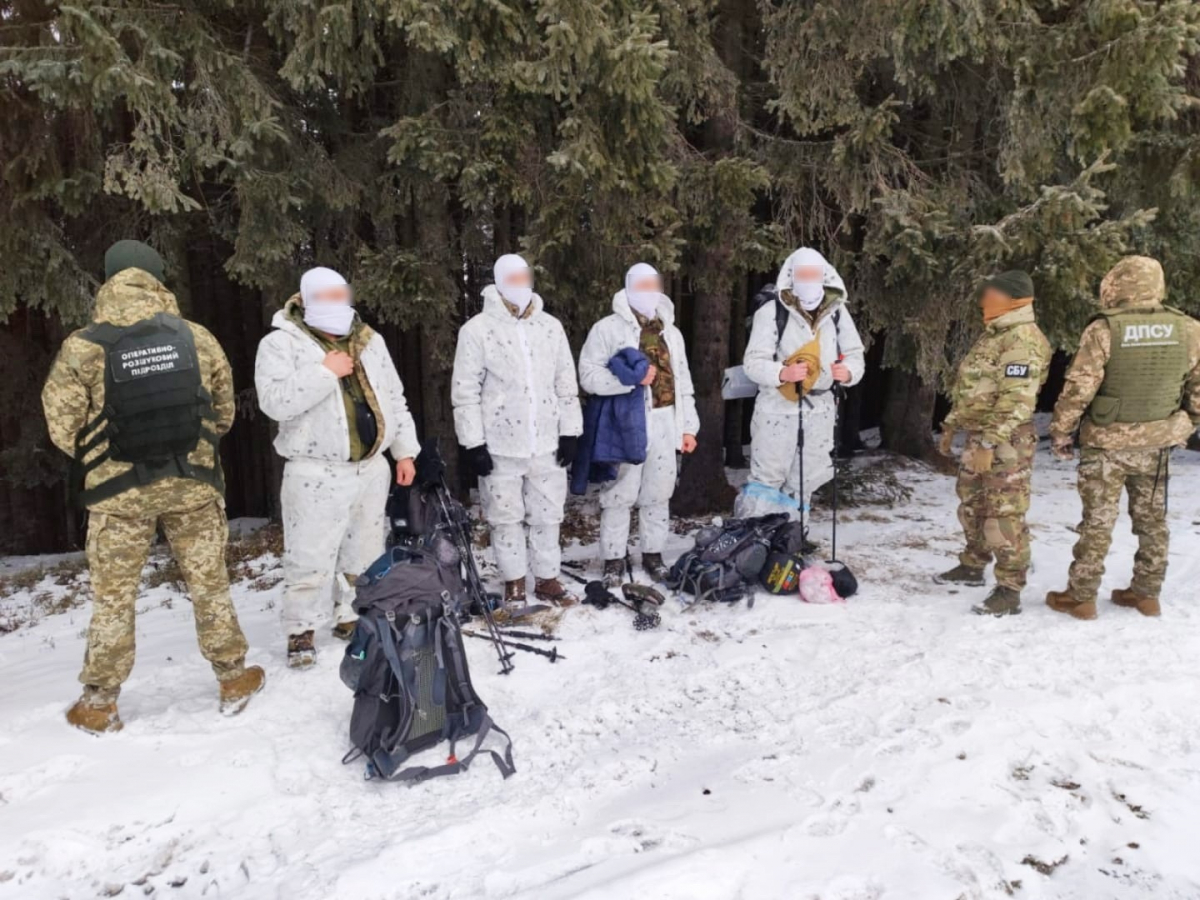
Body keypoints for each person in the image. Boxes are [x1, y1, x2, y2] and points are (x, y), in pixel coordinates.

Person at [41, 240, 263, 733]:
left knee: (114, 597)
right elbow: (223, 413)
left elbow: (63, 428)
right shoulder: (196, 337)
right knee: (209, 584)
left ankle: (99, 704)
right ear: (160, 278)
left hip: (119, 498)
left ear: (109, 279)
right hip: (193, 486)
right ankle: (232, 677)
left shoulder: (83, 346)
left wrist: (107, 459)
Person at [255, 267, 419, 667]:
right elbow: (274, 402)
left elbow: (394, 398)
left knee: (364, 551)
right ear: (307, 300)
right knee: (310, 555)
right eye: (327, 297)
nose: (337, 304)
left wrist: (404, 452)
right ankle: (301, 631)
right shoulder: (281, 344)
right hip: (315, 471)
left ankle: (351, 615)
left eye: (341, 295)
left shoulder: (369, 340)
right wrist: (324, 372)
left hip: (369, 468)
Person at [1045, 256, 1200, 620]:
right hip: (1157, 443)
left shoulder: (1105, 329)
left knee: (1098, 520)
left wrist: (1061, 430)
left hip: (1106, 442)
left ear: (1117, 284)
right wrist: (1186, 424)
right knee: (1152, 520)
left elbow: (1080, 387)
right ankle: (1147, 594)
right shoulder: (1189, 329)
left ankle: (1081, 597)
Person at [451, 254, 583, 607]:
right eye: (512, 276)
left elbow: (565, 382)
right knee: (505, 517)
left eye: (525, 275)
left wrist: (570, 431)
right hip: (499, 445)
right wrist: (472, 443)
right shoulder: (477, 330)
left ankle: (547, 578)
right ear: (497, 281)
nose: (520, 281)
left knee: (548, 514)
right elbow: (465, 390)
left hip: (546, 442)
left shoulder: (550, 327)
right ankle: (513, 581)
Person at [935, 270, 1052, 616]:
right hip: (981, 437)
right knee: (972, 505)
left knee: (1003, 514)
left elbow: (1017, 400)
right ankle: (973, 565)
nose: (984, 299)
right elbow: (977, 391)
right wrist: (953, 425)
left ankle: (1009, 588)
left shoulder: (1023, 340)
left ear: (1010, 298)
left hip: (1005, 441)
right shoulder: (994, 335)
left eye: (991, 293)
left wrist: (988, 441)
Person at [578, 263, 699, 585]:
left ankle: (653, 554)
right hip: (625, 422)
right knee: (619, 494)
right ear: (628, 288)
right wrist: (629, 382)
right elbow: (588, 375)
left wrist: (688, 427)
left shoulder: (671, 333)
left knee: (658, 495)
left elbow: (683, 381)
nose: (648, 292)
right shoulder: (607, 329)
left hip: (665, 420)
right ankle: (614, 558)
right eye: (641, 285)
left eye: (653, 285)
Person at [742, 247, 865, 536]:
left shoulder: (836, 312)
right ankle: (757, 543)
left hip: (819, 410)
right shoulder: (772, 311)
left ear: (824, 276)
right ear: (791, 276)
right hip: (776, 408)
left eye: (813, 275)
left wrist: (848, 373)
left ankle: (795, 540)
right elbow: (753, 362)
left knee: (804, 480)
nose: (808, 280)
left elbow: (854, 353)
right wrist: (781, 373)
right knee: (766, 480)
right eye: (802, 275)